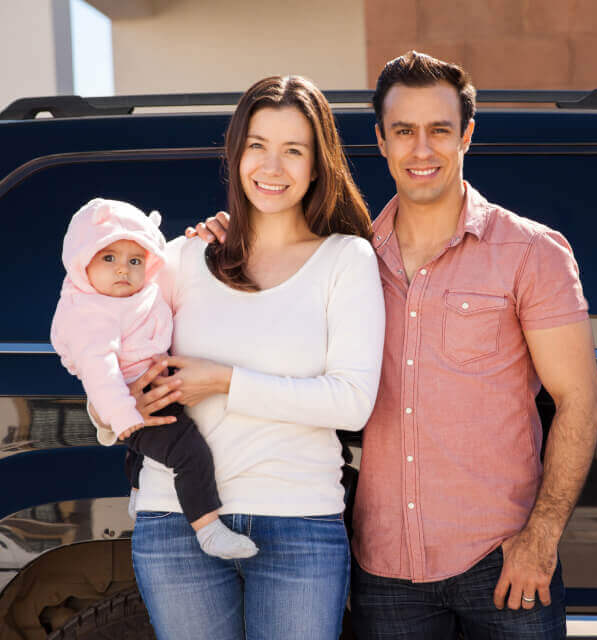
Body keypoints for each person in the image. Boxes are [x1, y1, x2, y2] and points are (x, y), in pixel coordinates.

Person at [194, 52, 597, 639]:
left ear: (466, 135)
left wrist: (539, 540)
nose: (421, 149)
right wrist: (227, 235)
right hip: (384, 570)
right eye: (404, 131)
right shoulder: (342, 257)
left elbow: (579, 399)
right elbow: (266, 264)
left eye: (439, 130)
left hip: (504, 560)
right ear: (381, 140)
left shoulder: (530, 253)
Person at [93, 75, 385, 640]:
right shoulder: (178, 259)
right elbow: (111, 368)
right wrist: (117, 405)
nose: (272, 167)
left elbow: (352, 404)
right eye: (257, 146)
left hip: (298, 525)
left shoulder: (346, 260)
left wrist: (224, 381)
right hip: (176, 523)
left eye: (293, 150)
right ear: (236, 153)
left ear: (318, 164)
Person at [51, 198, 258, 560]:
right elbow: (100, 373)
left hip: (149, 384)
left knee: (141, 450)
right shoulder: (90, 314)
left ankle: (135, 488)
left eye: (135, 261)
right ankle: (208, 528)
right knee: (188, 452)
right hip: (135, 401)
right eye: (108, 258)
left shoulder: (131, 296)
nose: (123, 271)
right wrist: (126, 418)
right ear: (82, 262)